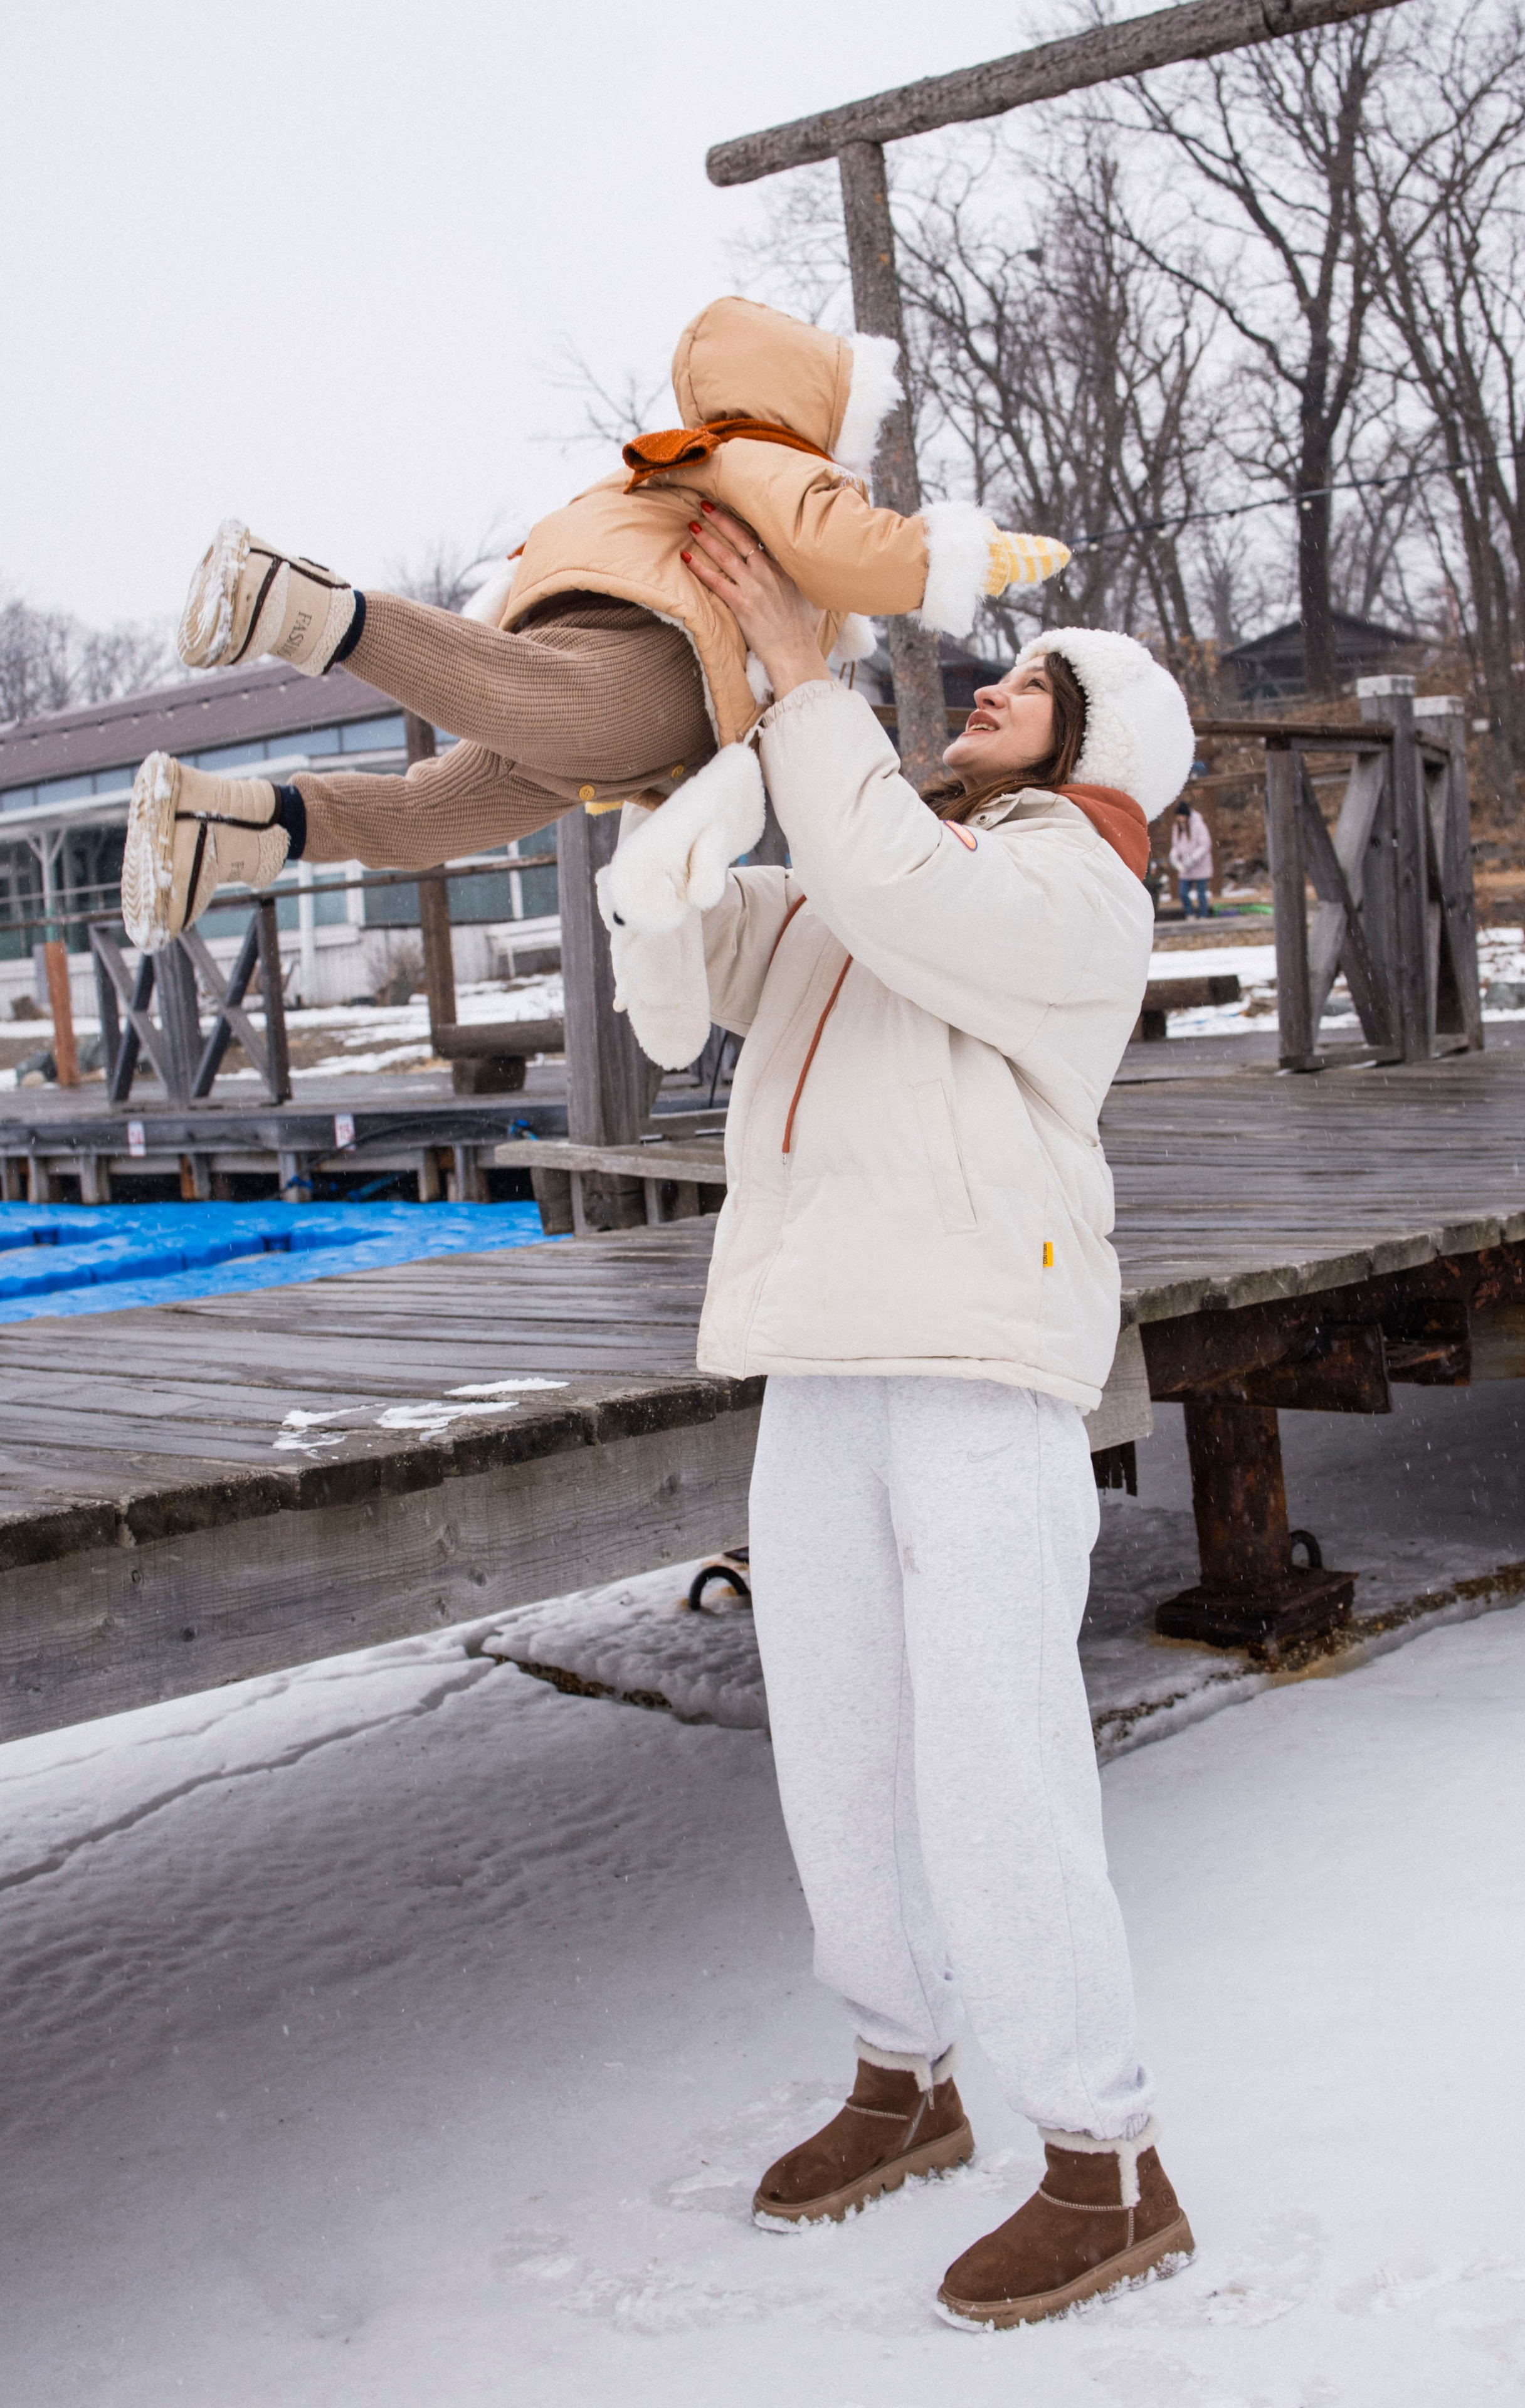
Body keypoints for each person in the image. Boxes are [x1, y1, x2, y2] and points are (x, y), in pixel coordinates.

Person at [625, 502, 1198, 2330]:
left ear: (1101, 743)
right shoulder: (890, 860)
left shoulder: (1073, 891)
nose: (994, 686)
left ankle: (1105, 2159)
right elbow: (712, 965)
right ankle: (902, 2067)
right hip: (823, 1348)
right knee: (841, 1743)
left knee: (992, 1756)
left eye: (1036, 680)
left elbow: (890, 887)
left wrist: (809, 678)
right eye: (1001, 665)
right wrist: (674, 810)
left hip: (973, 1358)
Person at [119, 296, 1070, 955]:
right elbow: (851, 549)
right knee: (516, 694)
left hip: (605, 684)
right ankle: (287, 601)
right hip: (652, 664)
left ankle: (225, 826)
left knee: (427, 817)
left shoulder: (679, 461)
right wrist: (965, 555)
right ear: (823, 411)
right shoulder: (769, 456)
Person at [1169, 796, 1213, 917]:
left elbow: (1205, 845)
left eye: (1181, 816)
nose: (1180, 819)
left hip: (1200, 866)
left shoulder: (1199, 826)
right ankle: (1190, 914)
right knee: (1183, 893)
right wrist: (1174, 858)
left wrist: (1193, 859)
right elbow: (1176, 846)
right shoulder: (1177, 828)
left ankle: (1204, 915)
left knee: (1201, 894)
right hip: (1185, 867)